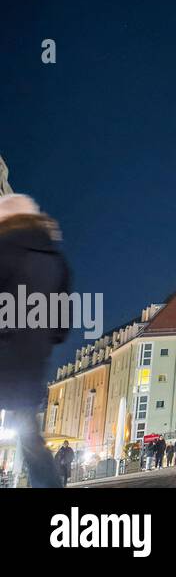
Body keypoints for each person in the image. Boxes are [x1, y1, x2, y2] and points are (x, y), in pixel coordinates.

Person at [0, 194, 70, 488]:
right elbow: (61, 328)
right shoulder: (57, 262)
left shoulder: (4, 249)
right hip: (30, 365)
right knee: (31, 440)